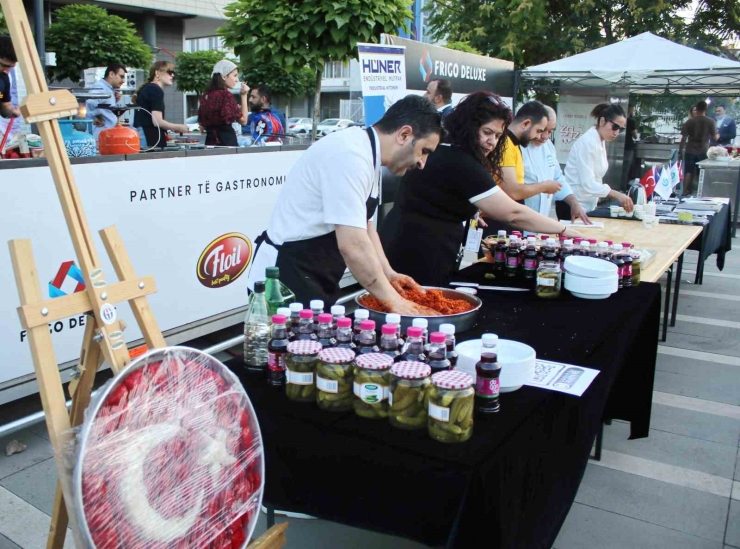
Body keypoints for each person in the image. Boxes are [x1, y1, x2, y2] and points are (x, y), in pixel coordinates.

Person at [247, 94, 443, 314]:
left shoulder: (369, 153)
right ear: (404, 134)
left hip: (315, 275)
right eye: (424, 151)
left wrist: (389, 274)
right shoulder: (350, 155)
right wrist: (396, 303)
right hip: (284, 281)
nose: (422, 163)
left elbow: (365, 225)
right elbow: (353, 244)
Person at [379, 92, 582, 288]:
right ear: (469, 126)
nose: (492, 142)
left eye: (497, 136)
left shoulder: (447, 150)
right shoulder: (461, 162)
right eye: (487, 132)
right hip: (418, 254)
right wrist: (563, 229)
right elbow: (513, 213)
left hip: (405, 243)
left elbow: (438, 195)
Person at [521, 105, 591, 224]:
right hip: (518, 220)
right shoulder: (518, 146)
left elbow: (557, 177)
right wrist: (543, 187)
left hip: (541, 221)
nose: (545, 137)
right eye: (542, 130)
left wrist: (573, 202)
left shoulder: (548, 146)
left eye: (550, 131)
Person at [564, 103, 634, 214]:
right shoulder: (588, 142)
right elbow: (587, 182)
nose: (616, 132)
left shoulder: (600, 140)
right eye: (615, 127)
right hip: (573, 204)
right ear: (602, 121)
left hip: (587, 203)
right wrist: (616, 194)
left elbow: (596, 178)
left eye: (620, 129)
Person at [496, 101, 561, 201]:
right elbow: (513, 192)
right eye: (539, 131)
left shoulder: (514, 144)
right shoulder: (506, 144)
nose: (539, 136)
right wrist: (544, 186)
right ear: (526, 124)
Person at [132, 61, 189, 149]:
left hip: (143, 135)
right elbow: (157, 121)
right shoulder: (156, 90)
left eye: (173, 73)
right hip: (150, 137)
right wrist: (178, 127)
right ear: (157, 73)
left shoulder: (147, 88)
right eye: (170, 72)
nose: (172, 75)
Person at [197, 60, 248, 146]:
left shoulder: (206, 95)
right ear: (224, 77)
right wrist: (244, 95)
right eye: (235, 75)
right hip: (226, 140)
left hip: (210, 141)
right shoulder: (225, 95)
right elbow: (243, 121)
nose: (237, 80)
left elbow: (203, 123)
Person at [679, 100, 719, 196]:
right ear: (706, 109)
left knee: (688, 171)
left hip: (690, 150)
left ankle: (685, 191)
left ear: (697, 109)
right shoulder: (710, 121)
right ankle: (701, 193)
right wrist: (719, 134)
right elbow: (715, 137)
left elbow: (683, 138)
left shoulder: (689, 122)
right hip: (703, 151)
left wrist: (680, 151)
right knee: (702, 171)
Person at [86, 64, 127, 141]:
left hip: (104, 135)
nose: (123, 81)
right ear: (111, 74)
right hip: (100, 136)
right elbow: (91, 101)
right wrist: (96, 115)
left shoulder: (107, 88)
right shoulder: (100, 87)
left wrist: (114, 100)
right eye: (121, 76)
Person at [0, 36, 21, 120]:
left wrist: (12, 112)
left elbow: (5, 105)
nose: (7, 71)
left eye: (11, 67)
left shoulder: (3, 79)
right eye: (4, 65)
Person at [623, 105, 638, 190]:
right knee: (626, 168)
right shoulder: (631, 121)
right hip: (628, 147)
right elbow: (635, 136)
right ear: (630, 110)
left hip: (619, 146)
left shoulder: (619, 119)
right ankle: (624, 187)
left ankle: (619, 188)